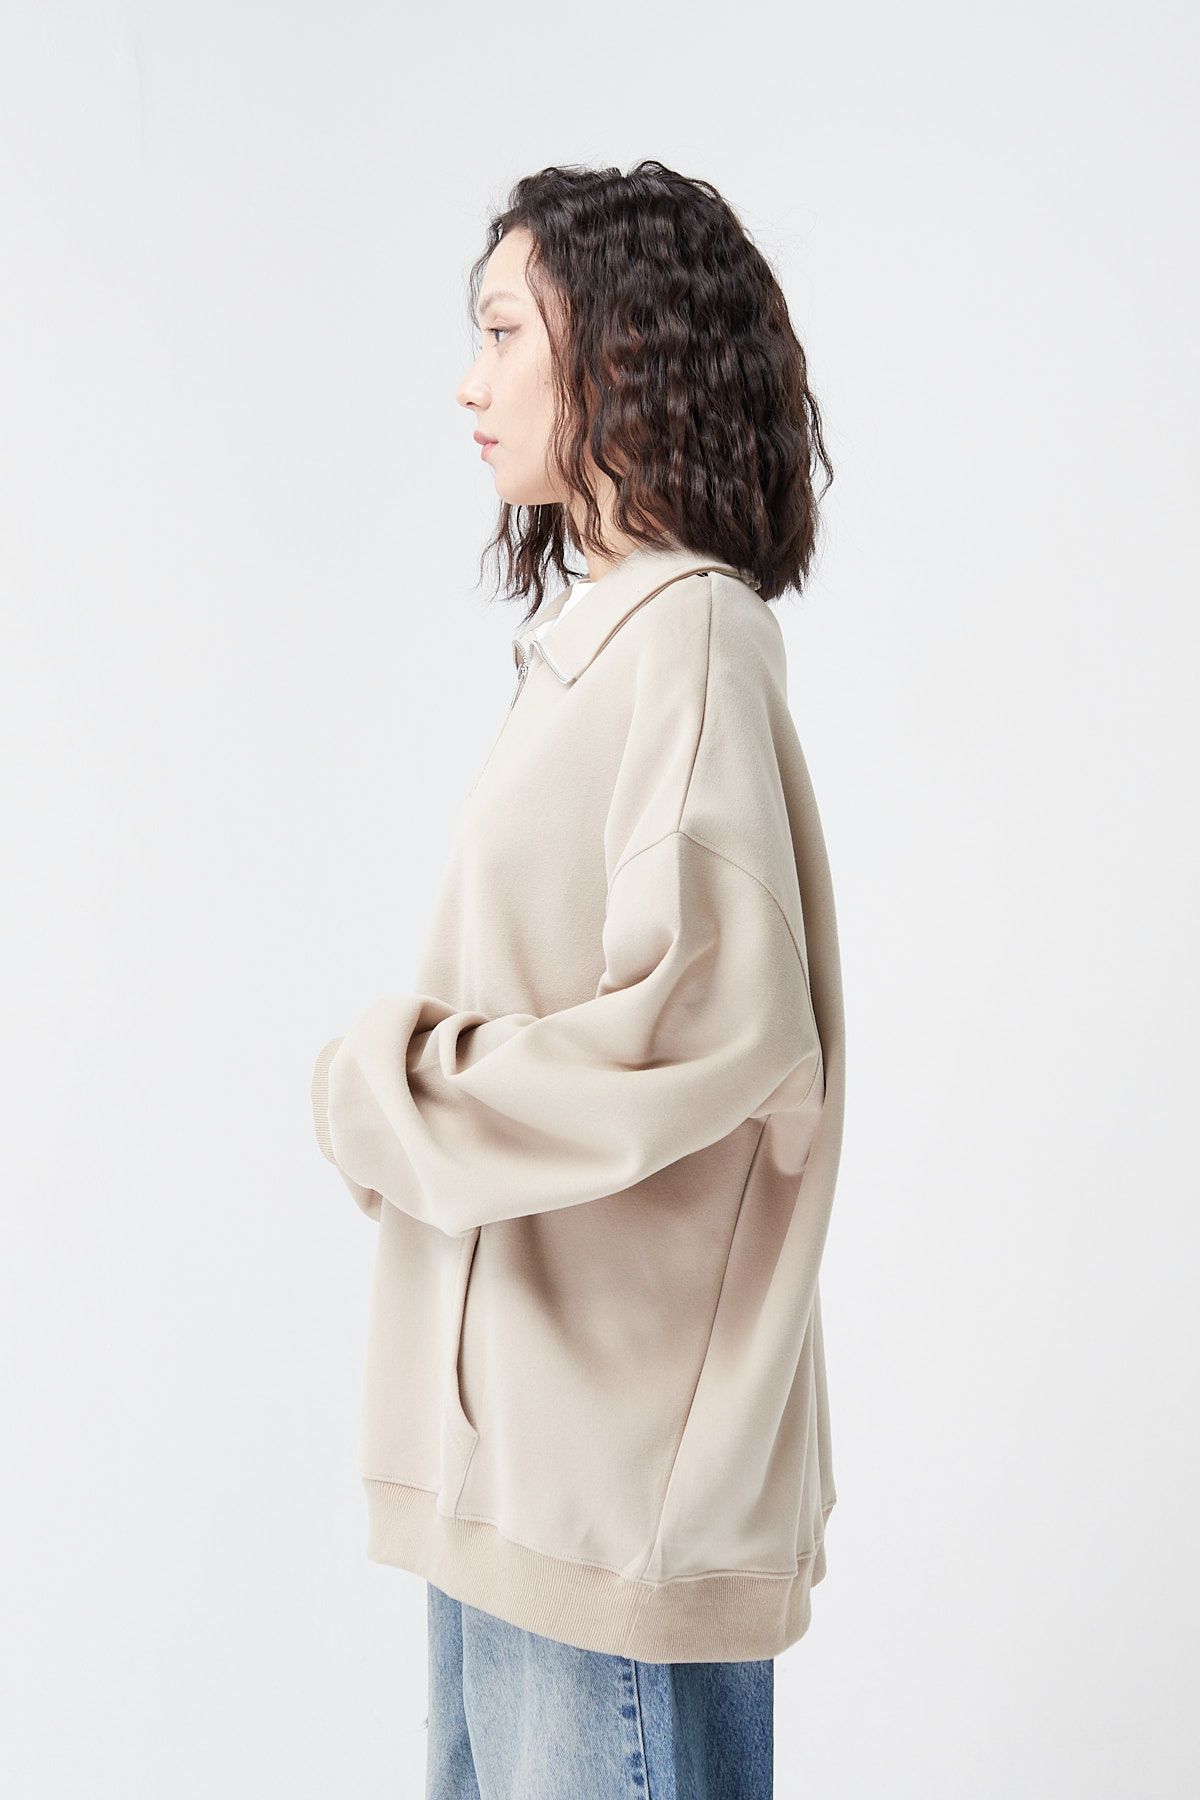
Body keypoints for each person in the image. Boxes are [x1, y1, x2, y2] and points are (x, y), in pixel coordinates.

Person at [311, 159, 845, 1800]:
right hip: (525, 1469)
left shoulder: (686, 635)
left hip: (600, 1482)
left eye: (501, 333)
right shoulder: (610, 640)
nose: (468, 385)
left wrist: (388, 1089)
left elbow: (708, 1026)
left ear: (617, 351)